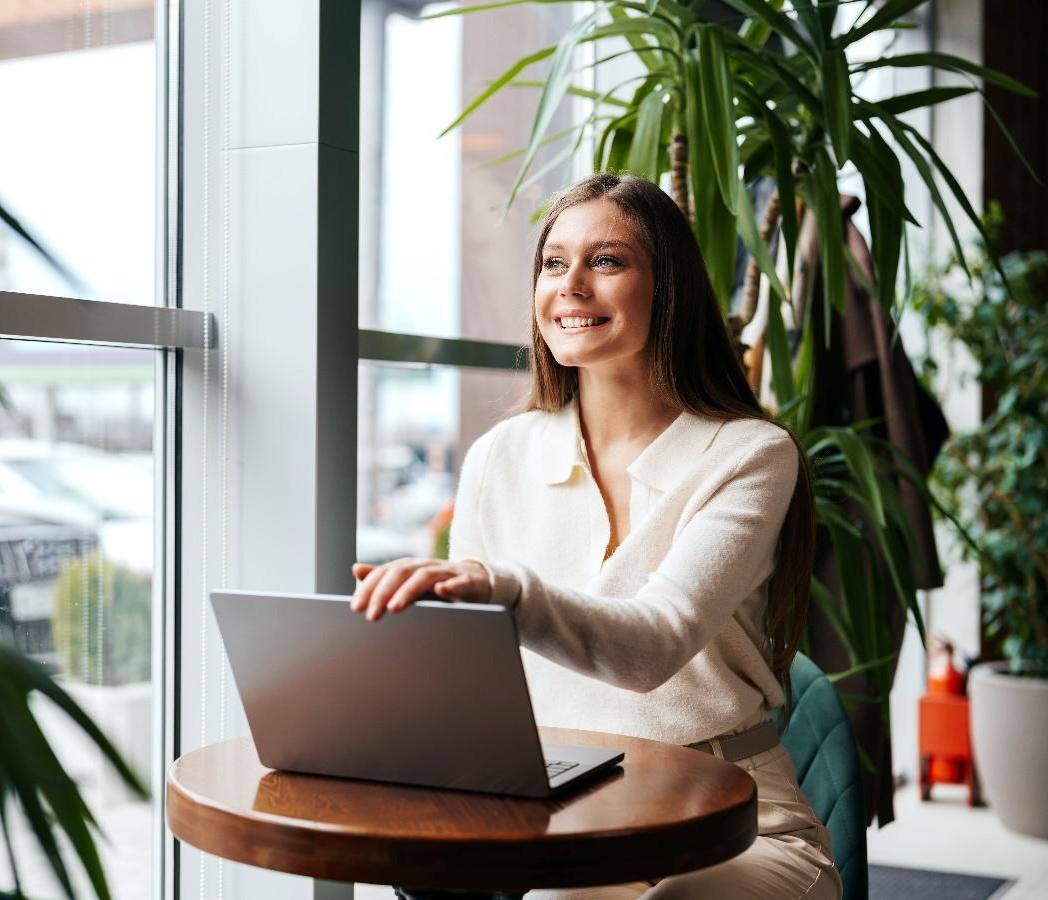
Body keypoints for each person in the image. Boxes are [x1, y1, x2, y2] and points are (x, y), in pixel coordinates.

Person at [350, 172, 841, 899]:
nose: (571, 284)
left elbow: (656, 643)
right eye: (554, 263)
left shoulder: (748, 454)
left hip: (734, 820)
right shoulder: (499, 456)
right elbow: (483, 680)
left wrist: (503, 590)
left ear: (666, 289)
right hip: (570, 815)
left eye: (606, 262)